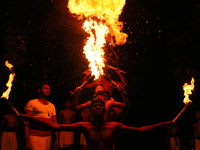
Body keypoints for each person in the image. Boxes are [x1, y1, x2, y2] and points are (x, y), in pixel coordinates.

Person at [19, 98, 174, 150]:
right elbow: (56, 127)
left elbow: (140, 130)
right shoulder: (83, 126)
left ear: (104, 109)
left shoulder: (114, 126)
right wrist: (29, 118)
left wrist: (163, 124)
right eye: (95, 105)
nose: (99, 106)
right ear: (90, 110)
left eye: (101, 105)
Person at [24, 82, 58, 150]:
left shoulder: (52, 106)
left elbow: (55, 124)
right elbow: (25, 123)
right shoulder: (32, 103)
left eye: (49, 89)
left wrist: (57, 139)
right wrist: (27, 142)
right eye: (45, 88)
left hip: (48, 137)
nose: (48, 90)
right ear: (39, 90)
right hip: (35, 137)